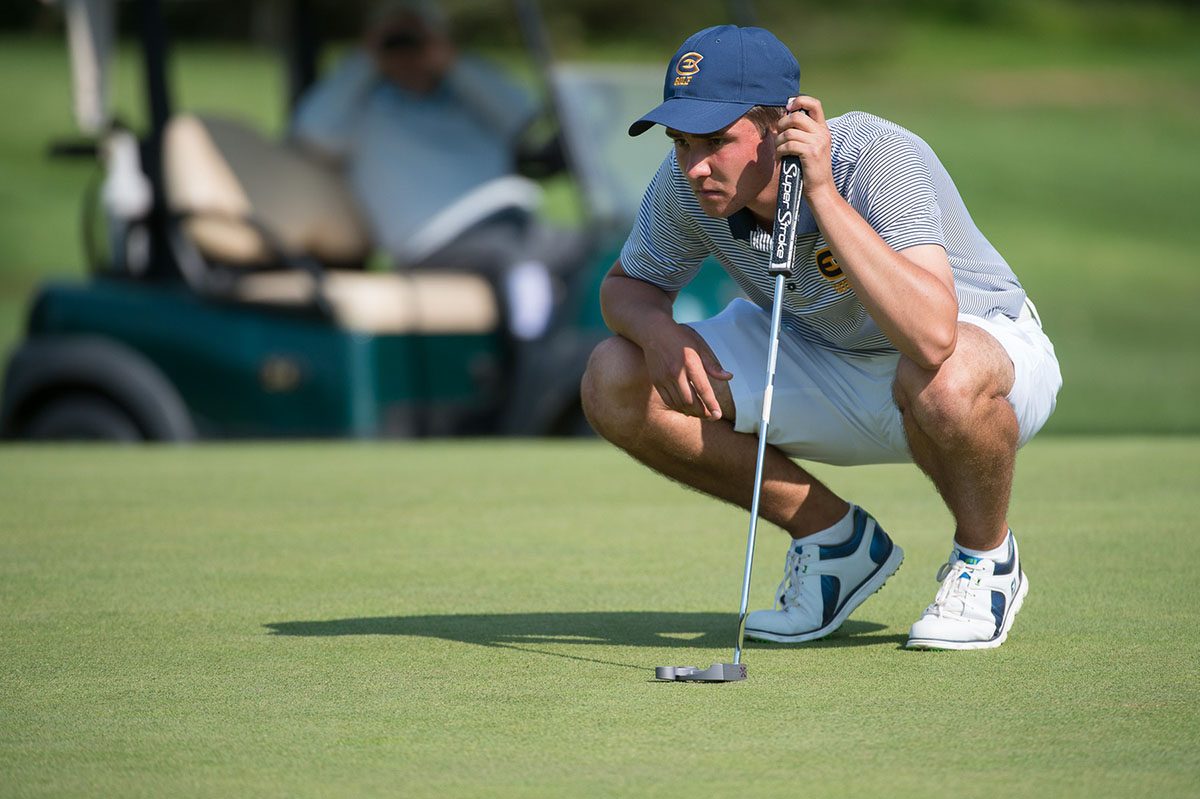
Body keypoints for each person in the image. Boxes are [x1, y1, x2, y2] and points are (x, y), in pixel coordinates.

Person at [580, 25, 1062, 650]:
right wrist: (656, 331)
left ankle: (985, 558)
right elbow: (625, 287)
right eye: (680, 142)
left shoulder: (876, 155)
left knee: (940, 377)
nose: (695, 166)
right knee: (614, 375)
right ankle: (835, 541)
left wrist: (821, 195)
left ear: (783, 127)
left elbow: (933, 335)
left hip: (975, 352)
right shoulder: (688, 188)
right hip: (815, 350)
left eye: (717, 141)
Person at [291, 1, 569, 341]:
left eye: (417, 39)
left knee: (594, 249)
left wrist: (452, 63)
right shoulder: (360, 109)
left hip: (510, 224)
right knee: (519, 265)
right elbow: (310, 132)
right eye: (397, 40)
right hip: (434, 242)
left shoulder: (466, 97)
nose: (408, 51)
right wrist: (366, 59)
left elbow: (525, 116)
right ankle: (538, 378)